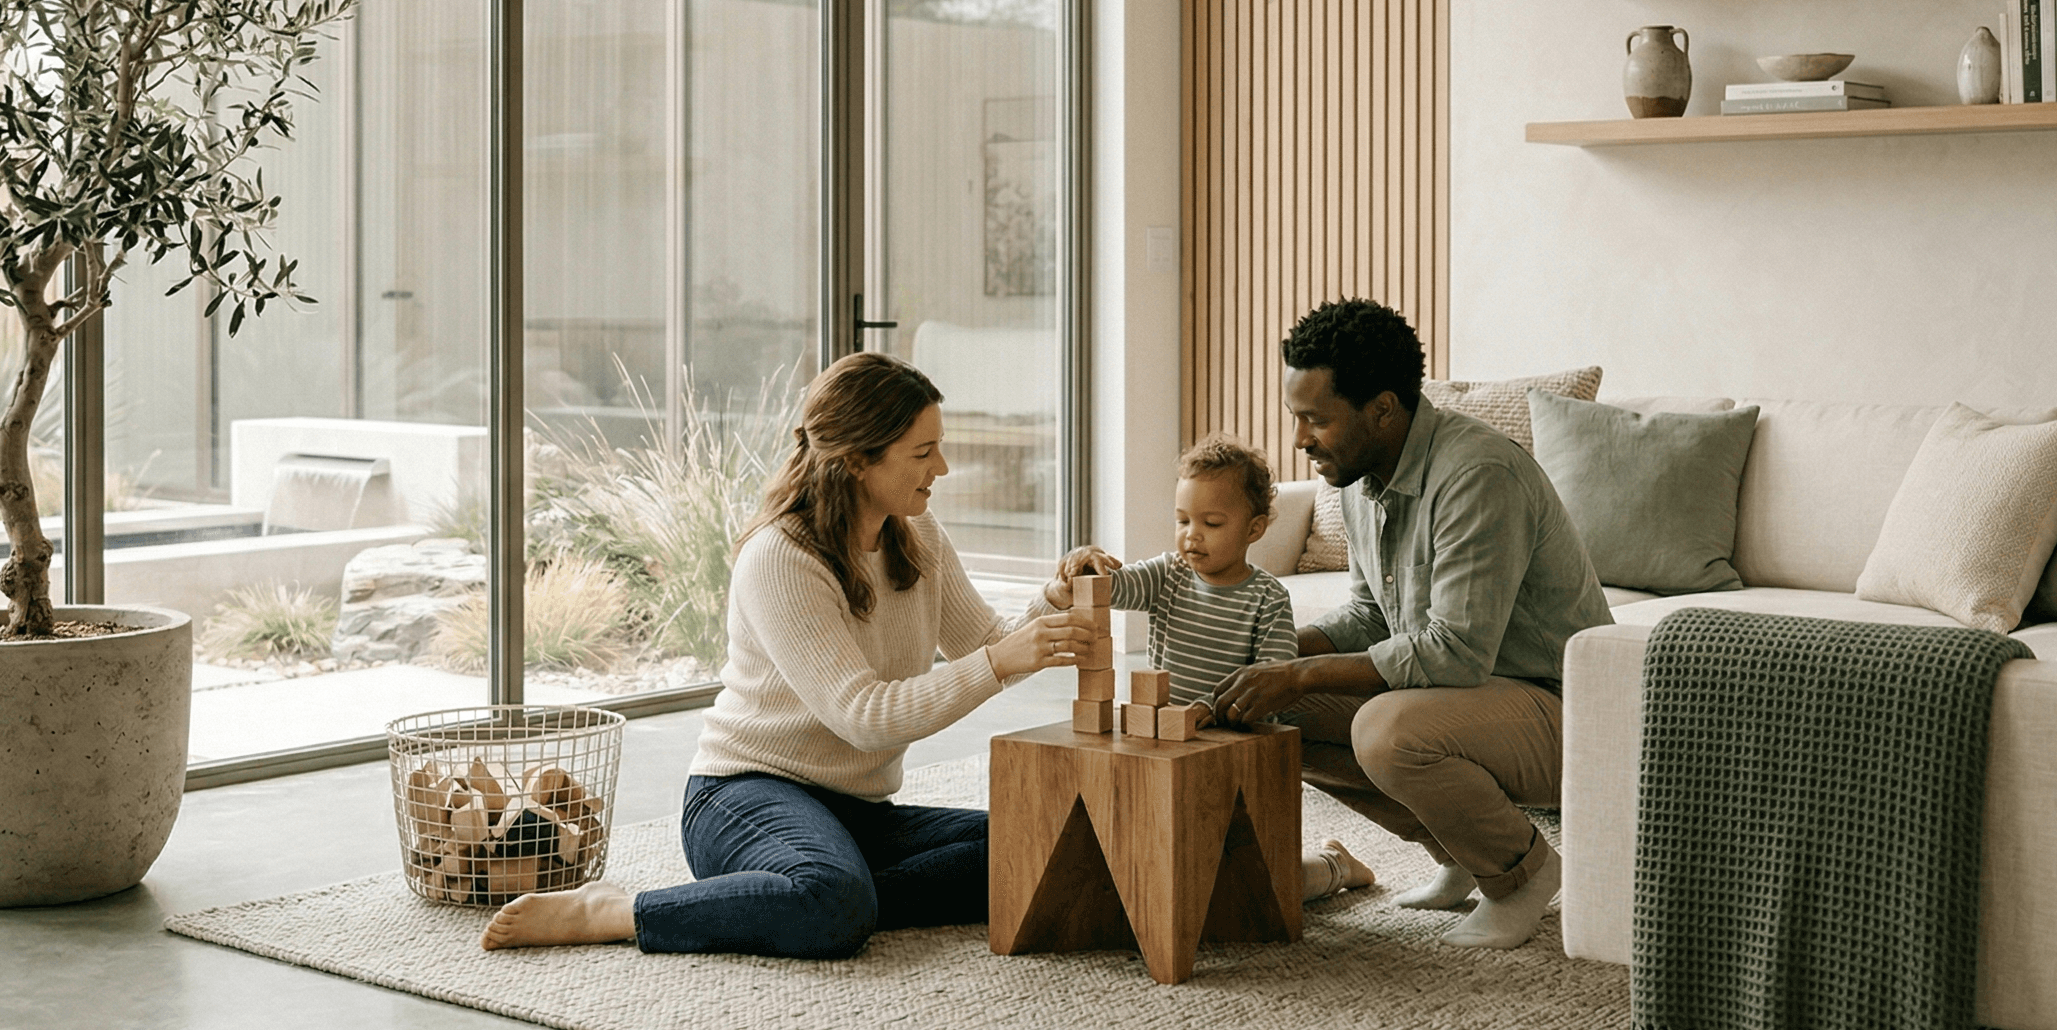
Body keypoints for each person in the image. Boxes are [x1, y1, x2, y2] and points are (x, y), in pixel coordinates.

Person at [480, 352, 1088, 956]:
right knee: (835, 903)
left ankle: (798, 898)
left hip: (859, 811)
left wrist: (1054, 601)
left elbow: (983, 642)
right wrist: (1004, 659)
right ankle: (620, 912)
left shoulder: (917, 533)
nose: (943, 467)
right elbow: (865, 716)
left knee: (1046, 843)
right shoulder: (781, 557)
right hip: (744, 796)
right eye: (923, 453)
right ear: (856, 460)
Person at [1215, 299, 1612, 950]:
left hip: (1560, 712)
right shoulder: (1358, 477)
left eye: (1316, 420)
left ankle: (1525, 875)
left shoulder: (1477, 475)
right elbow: (1372, 616)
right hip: (1468, 704)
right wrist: (1263, 654)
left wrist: (1296, 672)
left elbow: (1455, 653)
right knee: (1270, 708)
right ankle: (1458, 852)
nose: (1300, 441)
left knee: (1385, 729)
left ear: (1383, 408)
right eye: (1296, 418)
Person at [1040, 435, 1376, 902]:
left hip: (1231, 749)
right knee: (1159, 861)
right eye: (1182, 520)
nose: (1191, 535)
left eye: (1211, 523)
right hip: (1162, 742)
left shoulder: (1267, 599)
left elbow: (1272, 689)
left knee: (1254, 883)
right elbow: (1111, 587)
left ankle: (1335, 865)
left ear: (1255, 529)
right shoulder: (1167, 574)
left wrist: (1211, 712)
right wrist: (1085, 563)